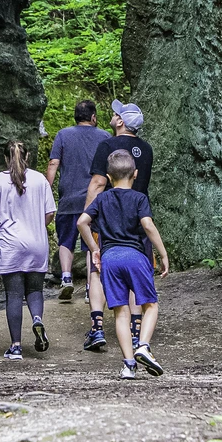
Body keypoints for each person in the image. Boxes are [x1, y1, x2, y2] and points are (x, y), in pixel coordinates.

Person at [79, 149, 169, 379]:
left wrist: (95, 249)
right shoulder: (139, 198)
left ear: (108, 177)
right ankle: (144, 346)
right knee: (150, 305)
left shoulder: (102, 198)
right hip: (135, 257)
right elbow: (147, 225)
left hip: (110, 259)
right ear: (135, 174)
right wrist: (163, 254)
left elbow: (82, 222)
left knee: (121, 313)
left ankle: (129, 366)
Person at [80, 99, 153, 351]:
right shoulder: (147, 149)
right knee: (136, 269)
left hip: (108, 216)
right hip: (138, 216)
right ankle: (135, 331)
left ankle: (97, 328)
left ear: (120, 121)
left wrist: (89, 215)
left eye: (114, 114)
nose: (111, 116)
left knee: (97, 266)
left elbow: (98, 183)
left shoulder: (108, 145)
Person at [0, 140, 57, 361]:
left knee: (13, 294)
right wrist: (36, 224)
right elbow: (50, 213)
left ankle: (16, 347)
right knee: (35, 290)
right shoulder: (40, 180)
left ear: (5, 158)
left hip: (10, 245)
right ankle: (37, 319)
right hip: (37, 243)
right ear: (28, 157)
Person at [45, 100, 110, 304]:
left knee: (66, 240)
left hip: (69, 199)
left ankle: (66, 278)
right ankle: (92, 287)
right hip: (95, 201)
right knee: (91, 243)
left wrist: (46, 193)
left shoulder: (63, 135)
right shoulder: (105, 137)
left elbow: (54, 163)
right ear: (93, 117)